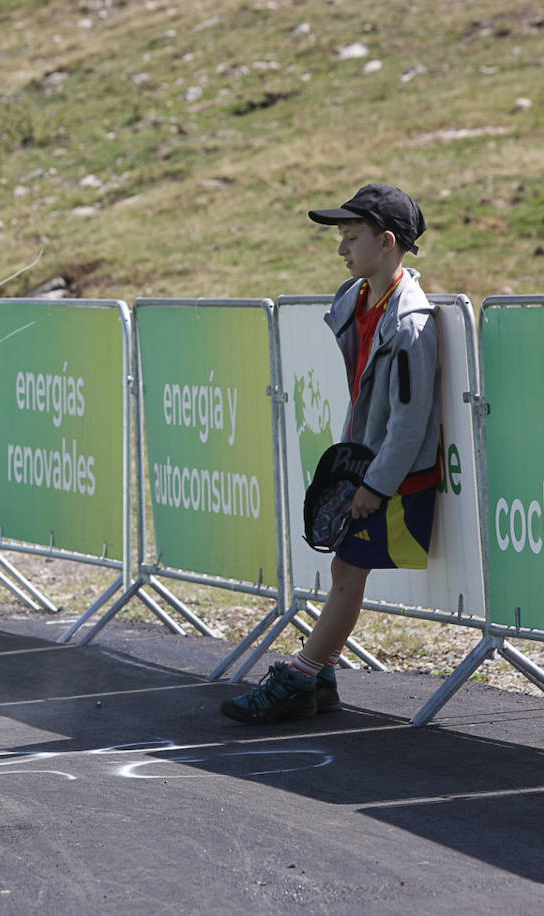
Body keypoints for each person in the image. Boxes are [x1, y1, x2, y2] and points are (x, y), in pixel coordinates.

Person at [221, 183, 442, 724]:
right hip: (368, 466)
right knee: (346, 571)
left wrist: (376, 485)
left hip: (390, 477)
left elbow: (411, 422)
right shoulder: (359, 299)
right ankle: (318, 676)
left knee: (346, 572)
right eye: (340, 237)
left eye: (351, 237)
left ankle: (302, 676)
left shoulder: (410, 323)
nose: (341, 248)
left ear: (387, 241)